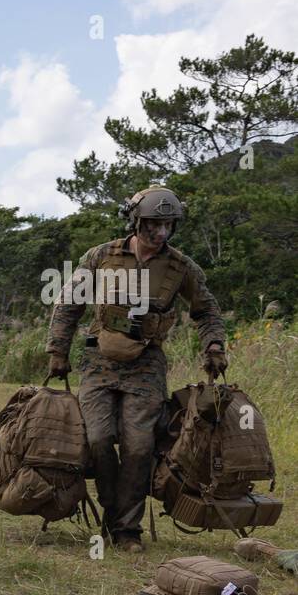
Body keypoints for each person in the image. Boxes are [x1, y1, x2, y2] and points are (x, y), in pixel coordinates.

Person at [46, 186, 228, 553]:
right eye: (152, 225)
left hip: (146, 365)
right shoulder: (101, 256)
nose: (160, 233)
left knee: (138, 445)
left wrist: (214, 344)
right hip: (99, 360)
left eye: (168, 225)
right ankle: (112, 511)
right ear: (135, 221)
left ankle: (126, 529)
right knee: (97, 439)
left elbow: (206, 309)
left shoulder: (180, 267)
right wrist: (57, 350)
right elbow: (69, 303)